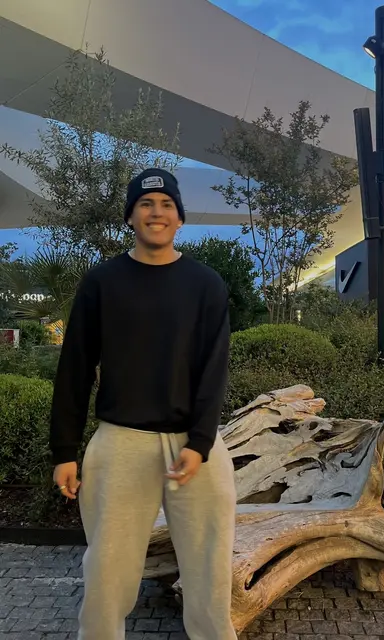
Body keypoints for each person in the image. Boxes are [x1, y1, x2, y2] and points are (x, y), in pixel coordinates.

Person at [49, 167, 237, 640]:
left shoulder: (205, 284)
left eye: (167, 204)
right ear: (130, 216)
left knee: (211, 573)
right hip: (121, 442)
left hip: (195, 445)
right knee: (107, 574)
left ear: (180, 217)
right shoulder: (102, 282)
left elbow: (213, 368)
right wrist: (64, 451)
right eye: (146, 203)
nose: (157, 212)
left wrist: (200, 442)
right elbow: (75, 368)